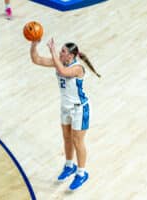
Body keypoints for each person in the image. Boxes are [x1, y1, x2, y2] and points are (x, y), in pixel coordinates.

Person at [30, 38, 100, 191]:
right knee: (67, 138)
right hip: (65, 108)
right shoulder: (60, 62)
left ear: (71, 56)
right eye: (60, 51)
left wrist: (52, 52)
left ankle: (82, 173)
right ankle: (69, 165)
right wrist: (34, 44)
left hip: (79, 109)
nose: (60, 54)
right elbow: (36, 59)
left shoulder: (78, 68)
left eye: (63, 51)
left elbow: (63, 71)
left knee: (77, 141)